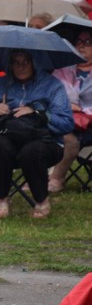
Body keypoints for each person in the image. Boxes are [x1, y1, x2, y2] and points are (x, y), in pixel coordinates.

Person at [0, 49, 74, 219]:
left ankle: (42, 200)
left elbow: (66, 123)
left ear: (35, 62)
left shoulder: (52, 85)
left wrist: (39, 114)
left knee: (31, 150)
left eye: (26, 61)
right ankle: (2, 199)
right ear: (10, 64)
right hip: (9, 139)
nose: (20, 66)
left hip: (45, 141)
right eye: (16, 62)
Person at [51, 29, 92, 192]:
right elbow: (50, 96)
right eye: (78, 42)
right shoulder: (62, 70)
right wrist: (66, 106)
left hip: (89, 125)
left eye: (87, 42)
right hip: (65, 123)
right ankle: (55, 178)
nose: (81, 46)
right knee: (68, 138)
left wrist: (81, 110)